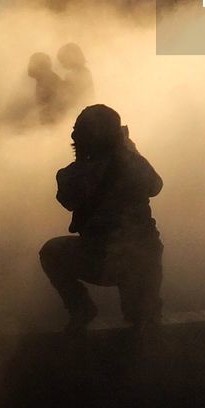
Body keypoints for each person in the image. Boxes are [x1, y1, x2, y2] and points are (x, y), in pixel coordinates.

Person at [38, 104, 165, 332]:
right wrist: (130, 151)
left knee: (51, 251)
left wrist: (82, 157)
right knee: (142, 322)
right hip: (144, 257)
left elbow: (66, 199)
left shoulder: (75, 173)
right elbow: (156, 186)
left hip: (101, 258)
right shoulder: (134, 163)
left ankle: (81, 308)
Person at [27, 51, 67, 126]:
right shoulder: (43, 79)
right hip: (49, 123)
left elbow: (58, 105)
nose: (29, 67)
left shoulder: (50, 80)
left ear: (41, 66)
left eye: (32, 64)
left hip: (54, 124)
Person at [57, 43, 94, 111]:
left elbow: (73, 98)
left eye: (62, 60)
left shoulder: (79, 74)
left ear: (71, 58)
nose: (61, 63)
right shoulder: (83, 72)